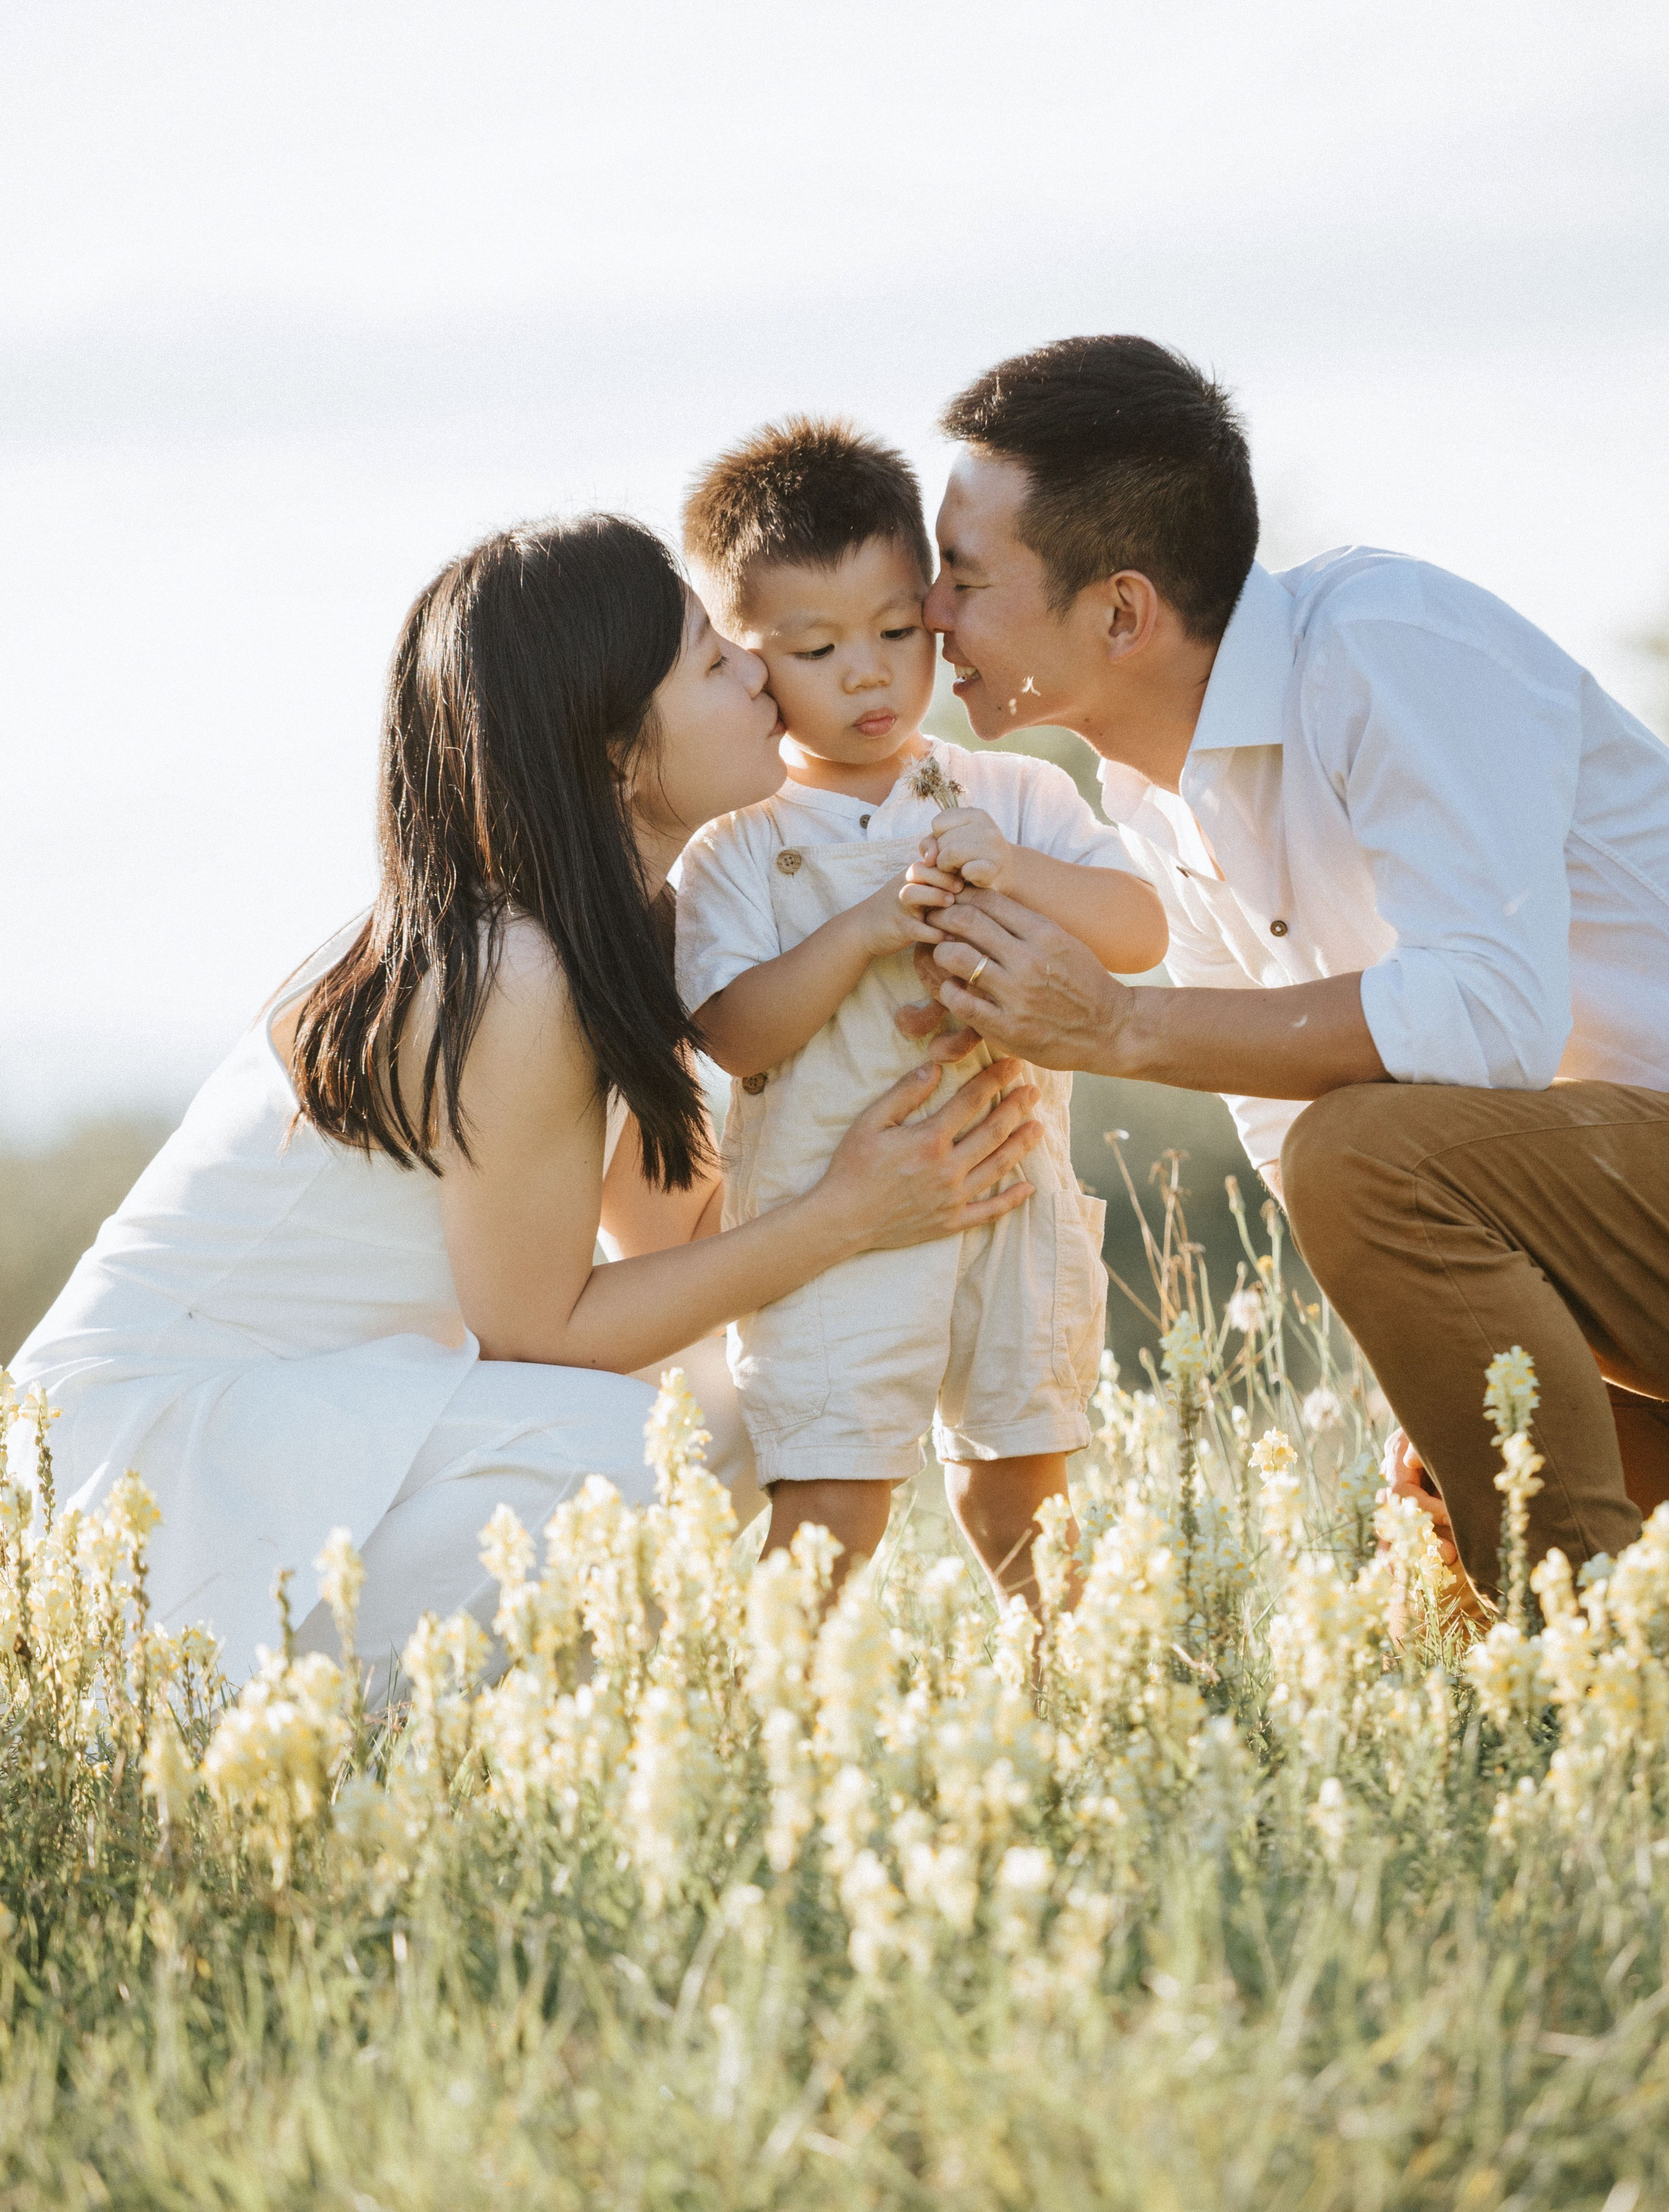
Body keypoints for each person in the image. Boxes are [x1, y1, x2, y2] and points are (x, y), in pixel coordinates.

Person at [12, 515, 1043, 1686]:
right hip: (153, 1457)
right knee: (626, 1462)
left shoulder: (617, 939)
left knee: (769, 1392)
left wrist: (906, 1131)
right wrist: (850, 1212)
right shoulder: (515, 969)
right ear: (611, 750)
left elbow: (683, 1251)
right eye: (713, 661)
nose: (759, 668)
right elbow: (541, 1334)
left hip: (312, 1422)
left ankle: (723, 1719)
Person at [909, 333, 1669, 1608]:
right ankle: (1558, 1654)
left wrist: (1116, 1025)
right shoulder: (1148, 796)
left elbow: (1486, 1016)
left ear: (1119, 611)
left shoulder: (1383, 646)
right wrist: (1438, 1368)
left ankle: (1577, 1664)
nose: (928, 614)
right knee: (1417, 1581)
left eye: (961, 576)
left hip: (1632, 1188)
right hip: (1613, 1232)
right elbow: (1298, 1132)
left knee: (1362, 1158)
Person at [676, 419, 1167, 1603]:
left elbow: (1141, 930)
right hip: (832, 1216)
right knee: (834, 1492)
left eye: (899, 632)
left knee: (1021, 1480)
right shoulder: (738, 846)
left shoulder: (1012, 793)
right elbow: (734, 1033)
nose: (868, 674)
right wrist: (859, 933)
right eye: (816, 648)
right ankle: (777, 1725)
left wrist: (1015, 871)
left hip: (1014, 1194)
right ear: (749, 662)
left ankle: (1071, 1690)